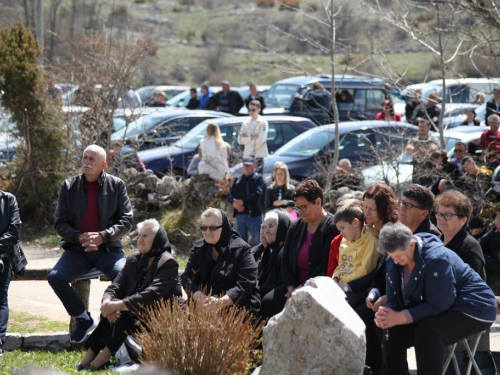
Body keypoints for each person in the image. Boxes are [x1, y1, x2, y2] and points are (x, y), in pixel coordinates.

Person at [375, 222, 496, 375]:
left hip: (473, 306)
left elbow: (440, 303)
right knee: (390, 330)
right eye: (392, 257)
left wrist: (400, 317)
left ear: (412, 245)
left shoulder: (436, 258)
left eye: (398, 256)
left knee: (429, 330)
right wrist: (388, 315)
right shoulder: (393, 260)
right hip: (437, 306)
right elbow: (394, 297)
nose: (396, 261)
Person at [49, 145, 133, 344]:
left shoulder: (116, 185)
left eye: (92, 158)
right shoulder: (68, 186)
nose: (86, 161)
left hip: (108, 249)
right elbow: (60, 222)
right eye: (85, 157)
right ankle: (83, 318)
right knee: (56, 277)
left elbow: (127, 220)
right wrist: (79, 237)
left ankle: (119, 328)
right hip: (77, 250)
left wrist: (103, 236)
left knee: (126, 279)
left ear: (103, 164)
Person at [75, 219, 182, 371]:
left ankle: (103, 357)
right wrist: (108, 303)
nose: (140, 239)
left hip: (159, 320)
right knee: (120, 312)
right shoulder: (134, 259)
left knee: (126, 313)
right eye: (139, 235)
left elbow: (151, 294)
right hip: (135, 314)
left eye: (146, 236)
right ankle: (88, 358)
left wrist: (118, 305)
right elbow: (115, 286)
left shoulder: (167, 263)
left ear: (158, 240)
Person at [266, 180, 338, 316]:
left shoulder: (332, 227)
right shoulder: (296, 226)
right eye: (297, 207)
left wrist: (302, 289)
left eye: (303, 207)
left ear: (317, 202)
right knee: (268, 302)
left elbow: (326, 265)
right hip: (292, 285)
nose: (299, 212)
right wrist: (290, 287)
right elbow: (285, 259)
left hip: (318, 287)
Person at [181, 208, 260, 315]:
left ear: (224, 227)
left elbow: (246, 282)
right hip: (204, 303)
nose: (208, 232)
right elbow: (187, 277)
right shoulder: (198, 247)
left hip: (234, 305)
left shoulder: (241, 249)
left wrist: (221, 302)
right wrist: (198, 295)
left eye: (213, 228)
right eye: (204, 227)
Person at [332, 202, 379, 308]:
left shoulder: (371, 239)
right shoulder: (345, 240)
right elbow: (341, 265)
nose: (341, 233)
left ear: (355, 222)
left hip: (360, 290)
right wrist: (335, 278)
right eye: (339, 229)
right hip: (341, 286)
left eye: (342, 228)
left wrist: (344, 283)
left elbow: (365, 269)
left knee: (338, 308)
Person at [434, 190, 486, 279]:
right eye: (439, 214)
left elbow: (471, 286)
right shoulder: (435, 242)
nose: (441, 219)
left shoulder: (469, 247)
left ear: (463, 220)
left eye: (447, 215)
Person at [259, 210, 292, 319]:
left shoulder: (287, 251)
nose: (266, 231)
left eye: (271, 226)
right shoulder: (271, 250)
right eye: (264, 227)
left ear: (282, 227)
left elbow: (282, 284)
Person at [0, 189, 21, 356]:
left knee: (1, 297)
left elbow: (14, 233)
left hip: (3, 255)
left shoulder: (8, 200)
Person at [228, 157, 265, 244]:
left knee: (258, 241)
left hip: (254, 215)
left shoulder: (258, 178)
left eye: (248, 165)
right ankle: (243, 258)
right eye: (245, 165)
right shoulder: (238, 178)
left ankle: (259, 257)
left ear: (254, 166)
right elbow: (230, 192)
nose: (246, 167)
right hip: (240, 215)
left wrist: (242, 202)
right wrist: (234, 203)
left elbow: (258, 193)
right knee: (240, 242)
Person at [406, 118, 439, 186]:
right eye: (420, 127)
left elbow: (433, 149)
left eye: (424, 127)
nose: (421, 128)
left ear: (429, 127)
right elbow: (409, 149)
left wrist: (417, 151)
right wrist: (425, 151)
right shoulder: (414, 140)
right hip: (417, 171)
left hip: (430, 171)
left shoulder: (433, 139)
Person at [237, 100, 268, 173]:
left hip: (258, 156)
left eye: (253, 110)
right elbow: (239, 140)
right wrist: (251, 137)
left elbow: (260, 140)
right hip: (247, 155)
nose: (251, 112)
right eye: (249, 110)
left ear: (259, 110)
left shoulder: (263, 122)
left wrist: (246, 138)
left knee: (257, 179)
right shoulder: (245, 123)